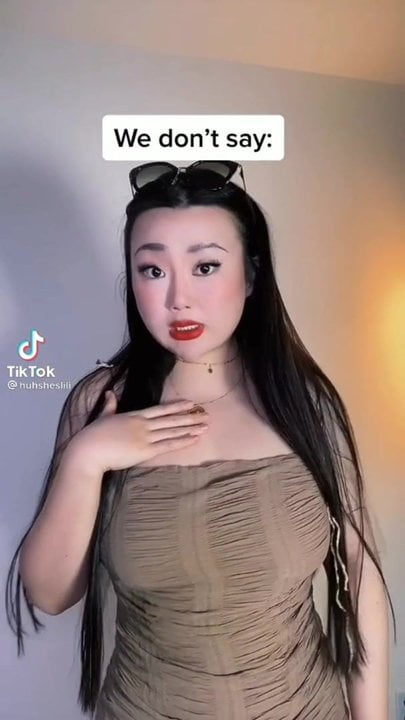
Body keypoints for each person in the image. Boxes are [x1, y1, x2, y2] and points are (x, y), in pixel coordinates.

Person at [5, 161, 395, 719]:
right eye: (152, 270)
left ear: (252, 275)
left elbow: (359, 576)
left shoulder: (303, 400)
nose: (178, 299)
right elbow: (49, 594)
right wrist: (86, 460)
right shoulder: (101, 401)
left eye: (206, 266)